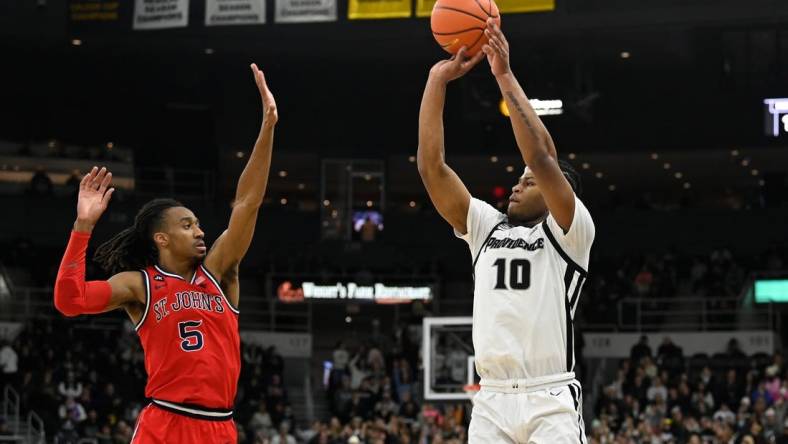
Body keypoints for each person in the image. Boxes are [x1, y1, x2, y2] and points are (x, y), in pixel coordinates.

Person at [53, 63, 278, 443]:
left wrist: (268, 127)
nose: (200, 230)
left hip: (219, 427)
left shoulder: (219, 272)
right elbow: (69, 301)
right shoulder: (139, 285)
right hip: (166, 422)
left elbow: (246, 203)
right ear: (162, 238)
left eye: (198, 223)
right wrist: (83, 227)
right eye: (187, 225)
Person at [417, 19, 594, 443]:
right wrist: (435, 81)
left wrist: (503, 74)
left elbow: (541, 155)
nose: (517, 184)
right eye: (518, 180)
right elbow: (431, 168)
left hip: (550, 396)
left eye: (528, 182)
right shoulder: (485, 227)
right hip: (492, 399)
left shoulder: (571, 233)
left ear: (559, 191)